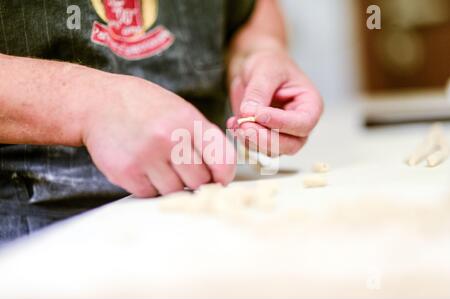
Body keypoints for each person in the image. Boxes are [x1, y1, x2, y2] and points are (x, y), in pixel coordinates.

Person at [0, 0, 323, 243]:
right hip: (28, 232)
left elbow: (252, 13)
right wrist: (86, 102)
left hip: (208, 206)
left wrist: (259, 52)